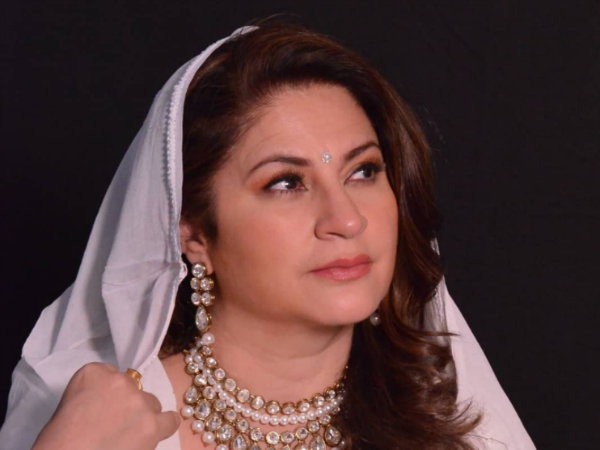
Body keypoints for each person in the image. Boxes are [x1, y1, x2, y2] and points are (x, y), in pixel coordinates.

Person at [0, 20, 536, 450]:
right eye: (286, 183)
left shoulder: (454, 421)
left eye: (363, 171)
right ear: (193, 234)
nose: (347, 220)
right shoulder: (100, 423)